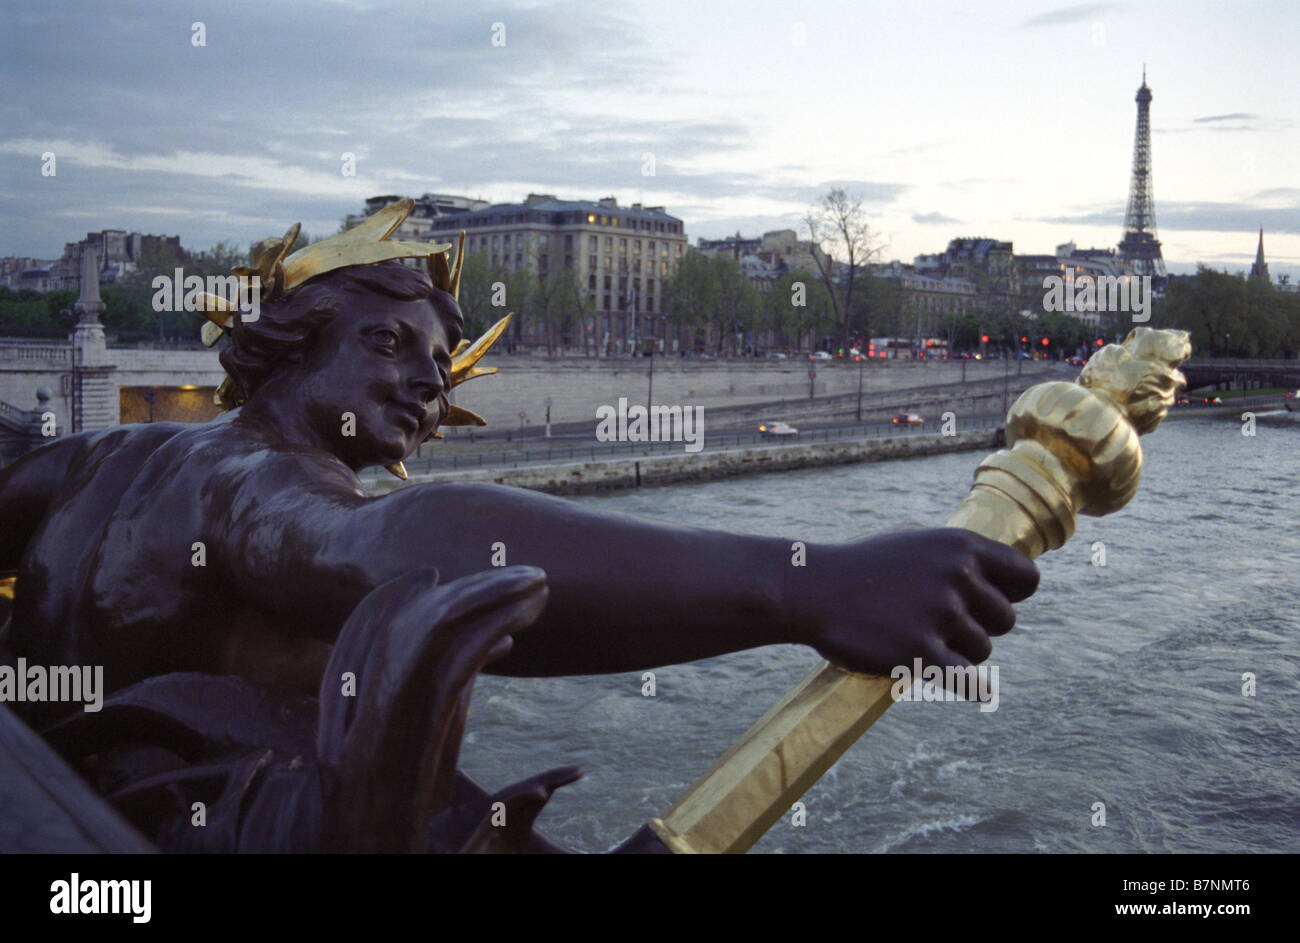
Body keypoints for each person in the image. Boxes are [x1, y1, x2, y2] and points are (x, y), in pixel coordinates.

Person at [0, 204, 1038, 849]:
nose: (422, 382)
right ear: (289, 346)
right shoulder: (249, 481)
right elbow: (393, 549)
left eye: (439, 366)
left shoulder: (91, 461)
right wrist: (809, 585)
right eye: (388, 342)